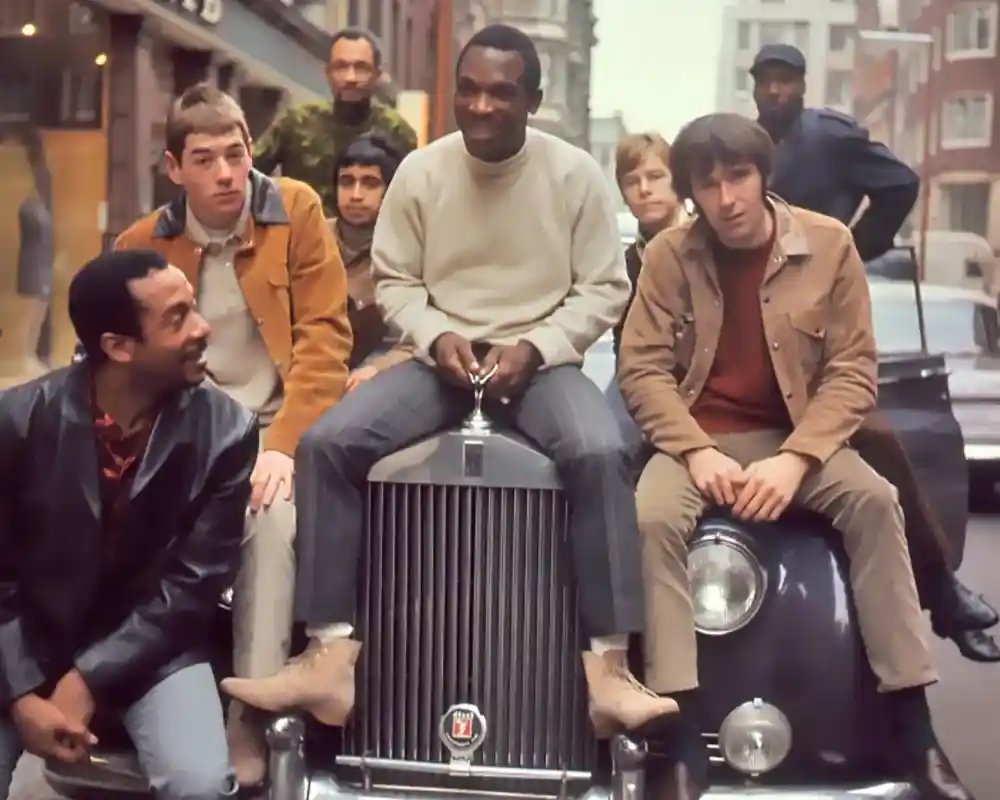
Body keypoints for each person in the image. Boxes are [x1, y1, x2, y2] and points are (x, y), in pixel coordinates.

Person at [220, 23, 678, 739]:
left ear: (533, 98)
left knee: (600, 452)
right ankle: (328, 654)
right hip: (441, 360)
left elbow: (602, 287)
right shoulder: (423, 171)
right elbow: (397, 279)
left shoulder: (576, 175)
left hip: (542, 364)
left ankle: (609, 671)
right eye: (468, 89)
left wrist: (539, 343)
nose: (482, 105)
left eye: (501, 92)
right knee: (328, 444)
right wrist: (436, 337)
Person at [618, 113, 973, 800]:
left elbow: (852, 373)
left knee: (874, 500)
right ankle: (683, 738)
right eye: (709, 183)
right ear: (692, 190)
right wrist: (692, 450)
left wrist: (796, 460)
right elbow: (642, 371)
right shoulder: (669, 256)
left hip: (797, 439)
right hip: (699, 440)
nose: (727, 199)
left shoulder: (830, 244)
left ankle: (915, 730)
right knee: (651, 518)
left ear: (765, 175)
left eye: (739, 177)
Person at [113, 83, 353, 787]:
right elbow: (116, 365)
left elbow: (323, 342)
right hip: (186, 432)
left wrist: (281, 444)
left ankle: (248, 711)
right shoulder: (141, 244)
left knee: (271, 519)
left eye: (237, 153)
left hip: (274, 426)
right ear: (173, 167)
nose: (227, 173)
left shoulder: (297, 212)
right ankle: (123, 689)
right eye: (207, 158)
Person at [750, 42, 999, 662]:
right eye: (767, 83)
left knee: (878, 445)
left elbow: (902, 182)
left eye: (787, 81)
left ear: (803, 85)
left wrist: (852, 251)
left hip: (819, 327)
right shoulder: (742, 147)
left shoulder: (830, 138)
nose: (777, 93)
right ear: (753, 87)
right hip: (750, 324)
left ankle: (942, 595)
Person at [0, 248, 258, 799]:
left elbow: (194, 585)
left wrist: (88, 676)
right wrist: (22, 695)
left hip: (154, 649)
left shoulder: (229, 431)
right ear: (117, 347)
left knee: (201, 783)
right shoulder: (18, 421)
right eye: (177, 318)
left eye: (193, 307)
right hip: (24, 642)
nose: (202, 327)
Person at [253, 28, 419, 215]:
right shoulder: (297, 122)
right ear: (328, 73)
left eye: (361, 68)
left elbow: (416, 199)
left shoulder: (396, 131)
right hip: (303, 239)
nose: (350, 78)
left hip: (373, 241)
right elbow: (248, 175)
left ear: (377, 75)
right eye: (341, 66)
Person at [329, 132, 415, 390]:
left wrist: (378, 370)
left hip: (381, 373)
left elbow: (422, 340)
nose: (355, 195)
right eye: (346, 182)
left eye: (369, 183)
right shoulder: (310, 238)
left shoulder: (410, 250)